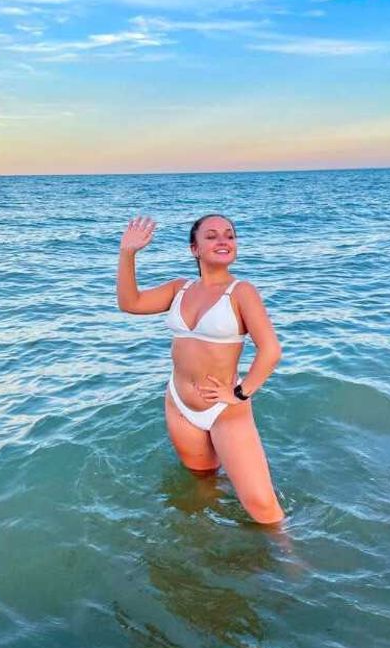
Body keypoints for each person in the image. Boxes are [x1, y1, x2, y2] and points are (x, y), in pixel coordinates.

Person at [116, 214, 285, 524]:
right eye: (212, 236)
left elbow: (271, 351)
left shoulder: (241, 291)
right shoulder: (180, 289)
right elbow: (130, 303)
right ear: (194, 248)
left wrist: (240, 392)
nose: (223, 240)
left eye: (229, 235)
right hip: (179, 405)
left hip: (223, 409)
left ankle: (292, 563)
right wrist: (128, 253)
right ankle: (205, 544)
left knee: (263, 507)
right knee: (203, 481)